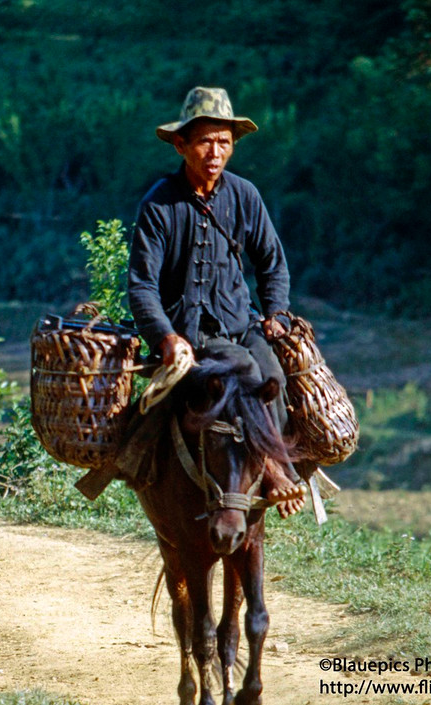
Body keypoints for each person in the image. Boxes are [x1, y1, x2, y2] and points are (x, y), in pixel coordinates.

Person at [128, 86, 305, 516]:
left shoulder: (245, 195)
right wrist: (166, 337)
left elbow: (272, 263)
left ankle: (278, 466)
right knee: (244, 368)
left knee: (273, 371)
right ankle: (276, 474)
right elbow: (141, 285)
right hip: (190, 332)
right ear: (181, 144)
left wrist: (276, 313)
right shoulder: (159, 205)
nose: (215, 150)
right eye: (205, 140)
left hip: (239, 322)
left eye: (224, 141)